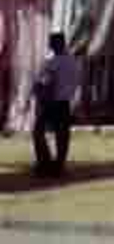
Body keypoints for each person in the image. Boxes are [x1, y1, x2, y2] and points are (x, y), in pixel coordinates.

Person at [32, 31, 81, 179]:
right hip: (65, 103)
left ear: (55, 44)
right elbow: (76, 82)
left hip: (50, 102)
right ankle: (58, 166)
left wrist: (38, 91)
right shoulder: (72, 61)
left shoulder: (53, 62)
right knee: (62, 136)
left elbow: (47, 83)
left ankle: (44, 163)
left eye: (51, 42)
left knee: (38, 132)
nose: (50, 45)